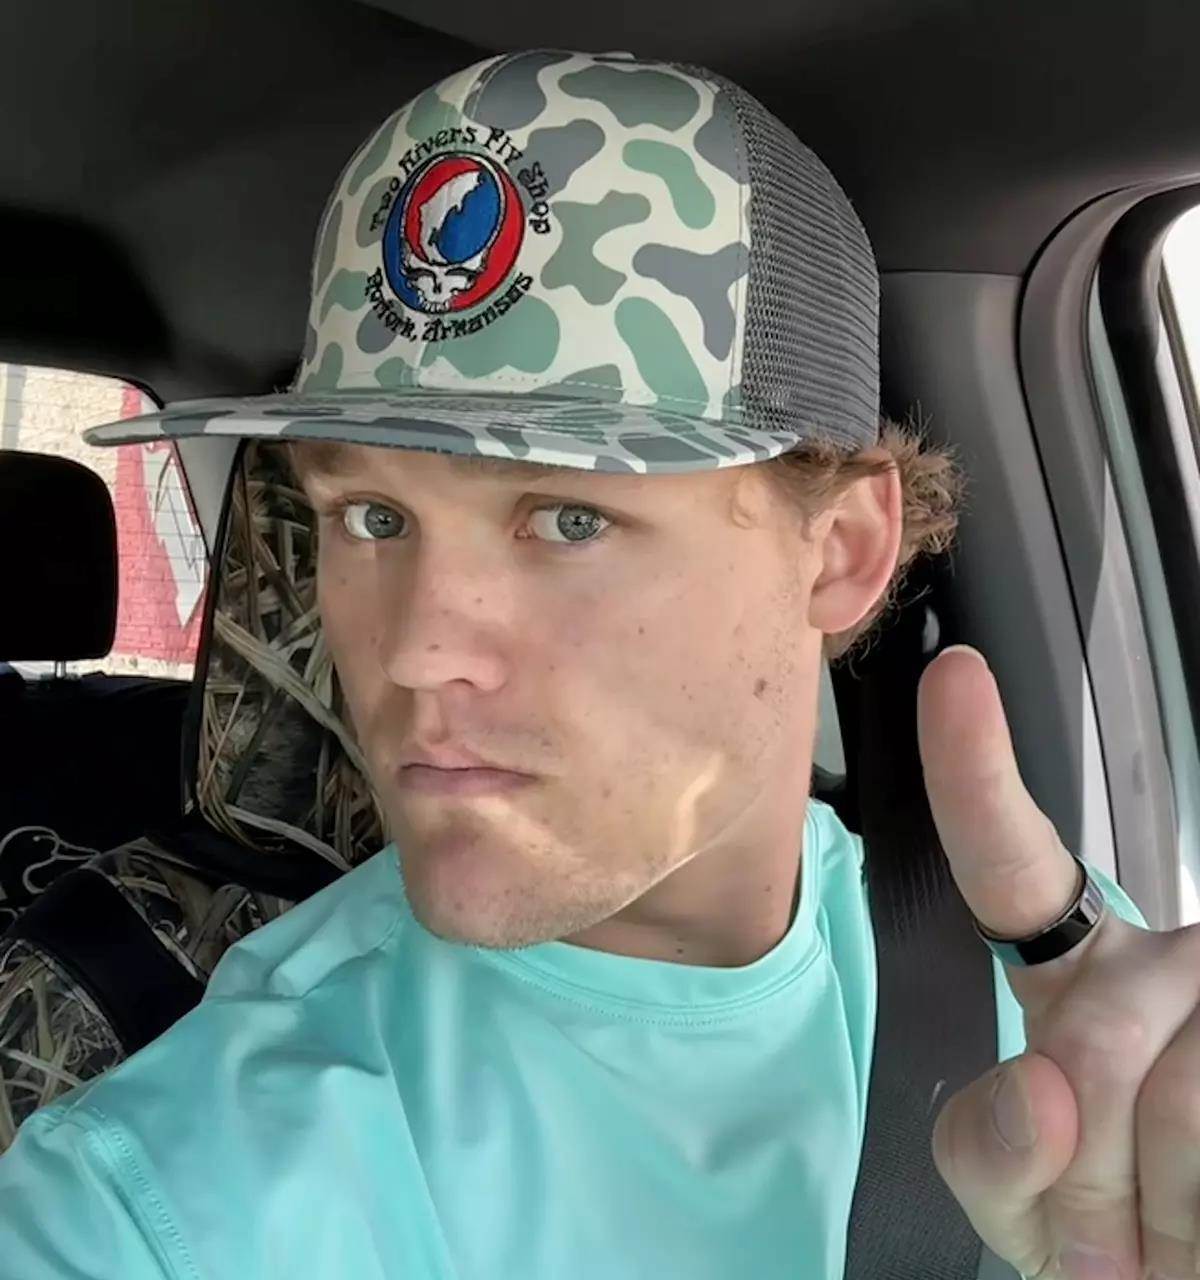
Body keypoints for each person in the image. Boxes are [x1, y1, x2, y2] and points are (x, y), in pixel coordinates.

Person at [0, 48, 1189, 1280]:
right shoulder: (158, 1198)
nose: (416, 649)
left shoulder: (1061, 1006)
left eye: (568, 519)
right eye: (372, 519)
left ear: (838, 551)